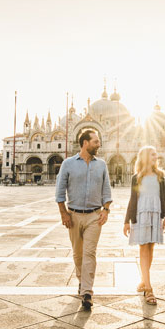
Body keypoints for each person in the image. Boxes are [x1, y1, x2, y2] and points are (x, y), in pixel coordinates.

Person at [55, 129, 112, 309]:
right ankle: (82, 280)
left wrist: (106, 210)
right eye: (96, 141)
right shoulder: (68, 164)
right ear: (85, 143)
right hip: (73, 215)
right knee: (78, 254)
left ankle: (87, 291)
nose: (99, 144)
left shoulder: (101, 164)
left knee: (89, 253)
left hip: (94, 216)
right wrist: (63, 213)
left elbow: (107, 190)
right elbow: (59, 191)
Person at [123, 145, 165, 305]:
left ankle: (144, 280)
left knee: (150, 249)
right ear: (144, 157)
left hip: (155, 214)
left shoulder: (160, 176)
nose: (155, 157)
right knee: (143, 249)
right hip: (141, 214)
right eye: (152, 154)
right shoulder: (137, 177)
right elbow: (132, 199)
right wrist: (126, 221)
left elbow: (163, 197)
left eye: (156, 154)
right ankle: (149, 289)